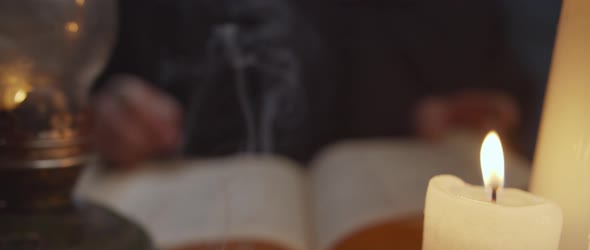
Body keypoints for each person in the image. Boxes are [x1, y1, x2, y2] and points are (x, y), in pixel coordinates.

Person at [90, 0, 531, 167]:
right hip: (174, 247)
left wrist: (442, 113)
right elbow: (72, 86)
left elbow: (516, 105)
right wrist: (103, 111)